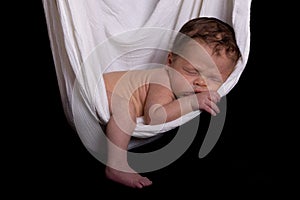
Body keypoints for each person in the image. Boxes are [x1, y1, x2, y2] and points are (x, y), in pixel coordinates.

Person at [103, 17, 241, 188]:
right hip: (100, 91)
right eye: (191, 71)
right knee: (126, 108)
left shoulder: (182, 85)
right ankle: (116, 166)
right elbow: (155, 116)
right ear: (170, 61)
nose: (201, 82)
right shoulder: (164, 79)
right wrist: (193, 102)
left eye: (213, 78)